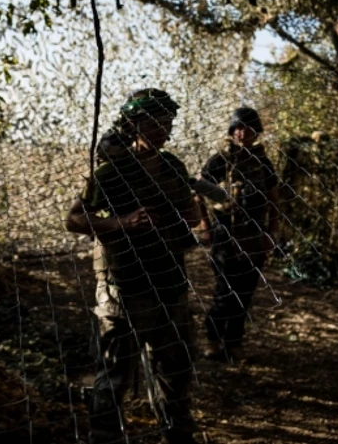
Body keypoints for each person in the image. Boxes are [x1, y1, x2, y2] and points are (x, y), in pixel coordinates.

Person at [65, 88, 203, 444]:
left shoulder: (173, 166)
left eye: (166, 122)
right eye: (152, 122)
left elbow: (192, 215)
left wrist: (188, 214)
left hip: (170, 281)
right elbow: (74, 219)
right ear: (132, 125)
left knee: (176, 369)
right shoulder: (110, 172)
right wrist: (124, 222)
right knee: (114, 373)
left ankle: (177, 434)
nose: (161, 129)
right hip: (124, 286)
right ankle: (105, 436)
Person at [199, 106, 279, 362]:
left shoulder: (263, 163)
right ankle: (213, 339)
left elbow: (274, 199)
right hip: (225, 235)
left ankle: (234, 343)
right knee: (225, 292)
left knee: (245, 293)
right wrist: (206, 228)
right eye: (239, 128)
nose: (243, 133)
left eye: (249, 128)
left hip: (254, 236)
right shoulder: (220, 160)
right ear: (232, 131)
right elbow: (198, 192)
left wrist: (271, 232)